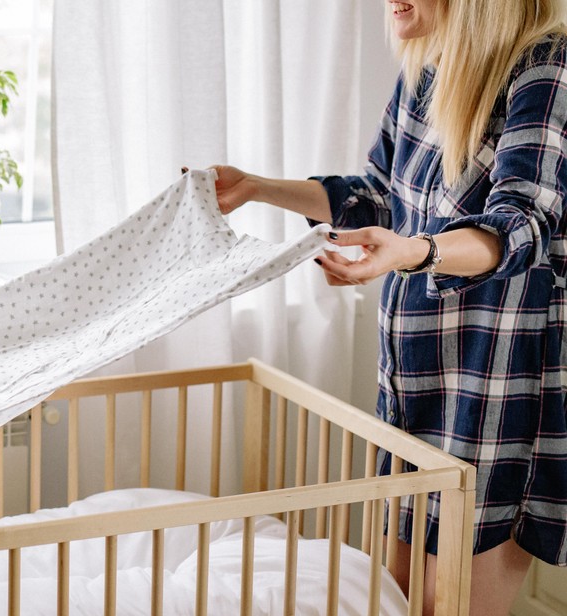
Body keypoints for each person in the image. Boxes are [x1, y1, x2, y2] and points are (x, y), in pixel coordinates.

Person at [210, 1, 567, 614]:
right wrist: (258, 187)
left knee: (441, 604)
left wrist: (417, 250)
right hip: (411, 384)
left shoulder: (546, 64)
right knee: (394, 600)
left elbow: (521, 225)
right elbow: (376, 198)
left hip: (493, 391)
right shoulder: (427, 70)